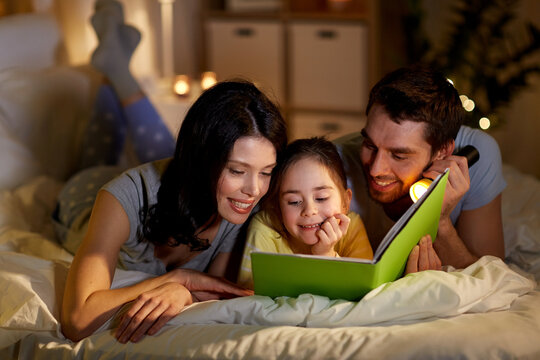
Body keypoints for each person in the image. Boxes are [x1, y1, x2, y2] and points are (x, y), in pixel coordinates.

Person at [56, 0, 288, 343]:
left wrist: (187, 292)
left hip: (174, 180)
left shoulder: (241, 206)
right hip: (83, 195)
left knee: (159, 153)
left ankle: (113, 67)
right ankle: (114, 68)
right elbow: (77, 320)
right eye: (238, 171)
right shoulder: (120, 198)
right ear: (204, 160)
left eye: (266, 171)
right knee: (96, 160)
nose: (254, 190)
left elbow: (218, 290)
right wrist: (180, 280)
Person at [334, 65, 506, 269]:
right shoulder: (332, 165)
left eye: (399, 155)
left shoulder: (476, 153)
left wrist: (439, 222)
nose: (375, 170)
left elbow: (492, 275)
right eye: (370, 145)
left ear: (443, 151)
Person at [237, 137, 441, 288]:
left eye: (321, 198)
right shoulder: (265, 227)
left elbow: (366, 292)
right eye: (294, 201)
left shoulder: (351, 227)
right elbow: (250, 297)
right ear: (278, 205)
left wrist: (325, 255)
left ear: (346, 201)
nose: (309, 211)